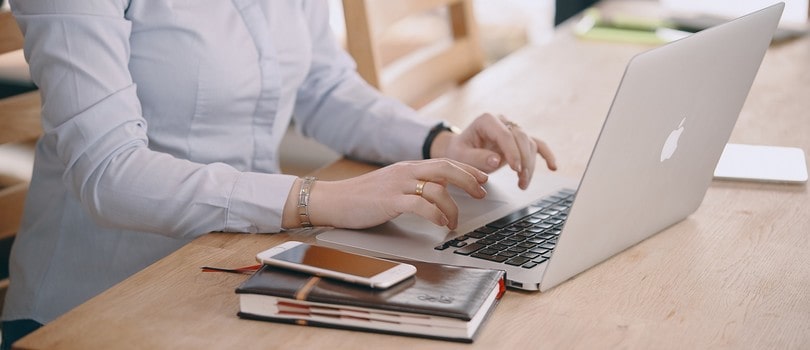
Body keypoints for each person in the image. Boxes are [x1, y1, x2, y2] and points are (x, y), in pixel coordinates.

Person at [1, 1, 556, 347]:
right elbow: (109, 173)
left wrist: (441, 142)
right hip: (93, 308)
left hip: (240, 268)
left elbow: (322, 85)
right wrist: (318, 199)